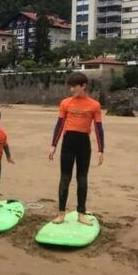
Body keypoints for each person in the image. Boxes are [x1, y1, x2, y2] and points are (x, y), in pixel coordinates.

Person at [48, 72, 104, 225]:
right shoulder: (65, 103)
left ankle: (81, 213)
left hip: (83, 144)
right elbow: (59, 125)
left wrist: (101, 149)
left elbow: (98, 128)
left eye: (74, 87)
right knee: (65, 178)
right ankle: (61, 213)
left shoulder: (94, 105)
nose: (71, 90)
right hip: (68, 142)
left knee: (82, 179)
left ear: (83, 86)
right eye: (70, 87)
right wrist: (53, 145)